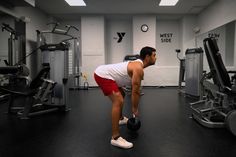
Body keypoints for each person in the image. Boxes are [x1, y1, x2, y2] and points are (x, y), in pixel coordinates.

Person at [94, 46, 157, 149]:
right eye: (154, 55)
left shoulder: (138, 64)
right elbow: (135, 91)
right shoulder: (138, 68)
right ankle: (115, 138)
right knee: (118, 101)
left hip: (107, 74)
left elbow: (134, 89)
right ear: (147, 57)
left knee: (122, 94)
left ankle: (120, 118)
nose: (156, 58)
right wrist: (135, 109)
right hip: (102, 75)